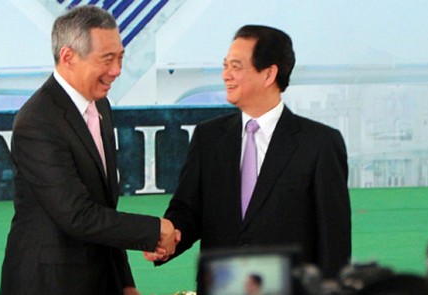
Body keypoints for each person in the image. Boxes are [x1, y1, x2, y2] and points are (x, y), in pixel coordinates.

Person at [145, 25, 351, 289]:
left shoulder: (319, 144)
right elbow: (187, 211)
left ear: (269, 74)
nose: (225, 76)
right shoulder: (208, 137)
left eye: (236, 67)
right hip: (222, 286)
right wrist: (166, 242)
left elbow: (334, 241)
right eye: (225, 66)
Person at [0, 6, 178, 295]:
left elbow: (104, 208)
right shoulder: (37, 121)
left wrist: (125, 281)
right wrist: (153, 231)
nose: (117, 71)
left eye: (120, 58)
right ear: (68, 57)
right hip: (49, 283)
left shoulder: (100, 106)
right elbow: (77, 215)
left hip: (98, 277)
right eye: (107, 60)